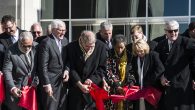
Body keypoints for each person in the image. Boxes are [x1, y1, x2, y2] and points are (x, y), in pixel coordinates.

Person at [155, 20, 195, 110]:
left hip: (183, 87)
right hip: (167, 89)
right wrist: (161, 76)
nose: (173, 33)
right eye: (170, 31)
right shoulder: (161, 45)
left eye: (175, 30)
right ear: (165, 31)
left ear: (178, 30)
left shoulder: (187, 42)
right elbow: (157, 63)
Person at [66, 30, 107, 110]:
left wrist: (91, 80)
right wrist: (79, 84)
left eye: (92, 46)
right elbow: (71, 68)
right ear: (81, 40)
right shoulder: (71, 47)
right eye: (87, 46)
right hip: (76, 90)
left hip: (93, 91)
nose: (90, 49)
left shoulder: (101, 46)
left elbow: (102, 68)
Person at [2, 31, 39, 110]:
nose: (27, 48)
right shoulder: (10, 50)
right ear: (19, 41)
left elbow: (41, 66)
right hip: (17, 89)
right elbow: (7, 70)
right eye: (24, 46)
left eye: (29, 46)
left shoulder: (37, 47)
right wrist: (12, 88)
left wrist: (37, 78)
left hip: (33, 88)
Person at [37, 19, 69, 110]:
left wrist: (67, 70)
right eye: (60, 30)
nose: (63, 33)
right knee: (51, 107)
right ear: (53, 30)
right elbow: (43, 66)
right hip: (50, 83)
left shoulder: (65, 41)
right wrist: (46, 83)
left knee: (62, 107)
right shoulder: (46, 43)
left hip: (62, 82)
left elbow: (68, 59)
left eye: (64, 30)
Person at [131, 39, 164, 110]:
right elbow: (133, 72)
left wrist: (149, 80)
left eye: (141, 51)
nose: (139, 53)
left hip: (151, 89)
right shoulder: (135, 58)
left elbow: (160, 69)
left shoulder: (153, 55)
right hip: (139, 90)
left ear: (145, 48)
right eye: (137, 51)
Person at [105, 34, 135, 110]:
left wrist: (129, 83)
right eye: (118, 47)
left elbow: (132, 71)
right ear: (114, 46)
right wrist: (117, 85)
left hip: (126, 88)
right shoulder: (108, 54)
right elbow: (108, 70)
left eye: (122, 47)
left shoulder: (130, 55)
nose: (120, 50)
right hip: (112, 88)